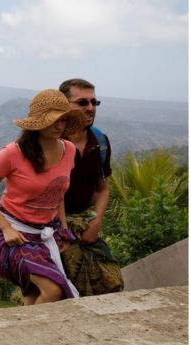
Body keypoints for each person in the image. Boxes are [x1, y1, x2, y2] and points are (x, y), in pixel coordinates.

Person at [0, 89, 83, 305]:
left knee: (34, 296)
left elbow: (57, 192)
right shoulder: (13, 153)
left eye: (63, 120)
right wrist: (6, 227)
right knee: (53, 291)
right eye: (52, 120)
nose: (59, 125)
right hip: (14, 234)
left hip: (44, 233)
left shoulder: (69, 150)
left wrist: (62, 229)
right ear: (38, 122)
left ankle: (27, 336)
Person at [59, 78, 124, 296]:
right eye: (82, 102)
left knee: (111, 282)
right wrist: (62, 230)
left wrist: (95, 223)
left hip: (85, 224)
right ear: (64, 105)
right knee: (62, 292)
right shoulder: (51, 142)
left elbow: (102, 188)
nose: (90, 108)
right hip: (53, 230)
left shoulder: (100, 142)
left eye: (94, 102)